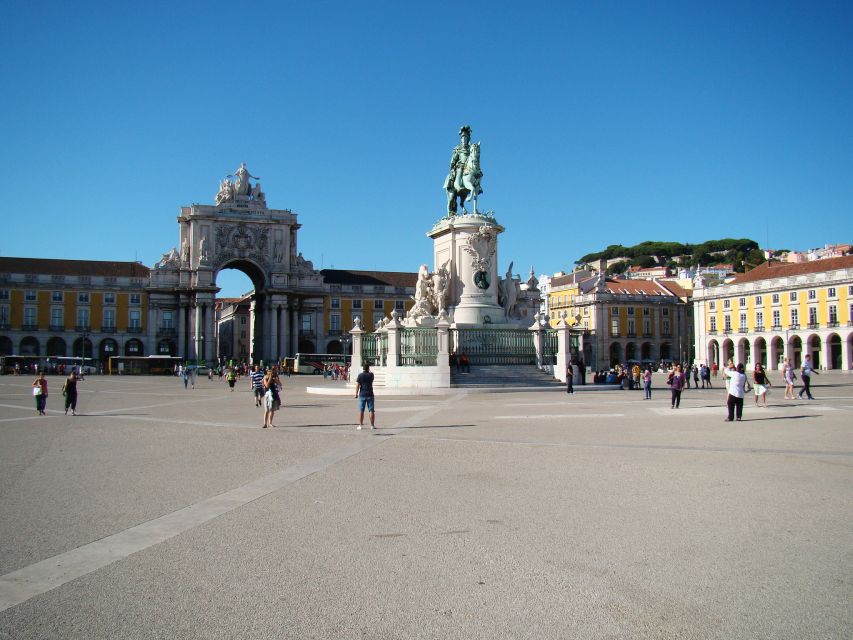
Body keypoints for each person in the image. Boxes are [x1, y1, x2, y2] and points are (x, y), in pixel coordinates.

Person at [355, 363, 376, 430]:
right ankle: (372, 425)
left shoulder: (360, 375)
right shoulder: (371, 375)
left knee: (361, 410)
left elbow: (358, 385)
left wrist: (356, 394)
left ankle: (360, 425)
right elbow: (372, 379)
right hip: (370, 394)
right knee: (371, 410)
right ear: (368, 368)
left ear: (363, 368)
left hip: (362, 394)